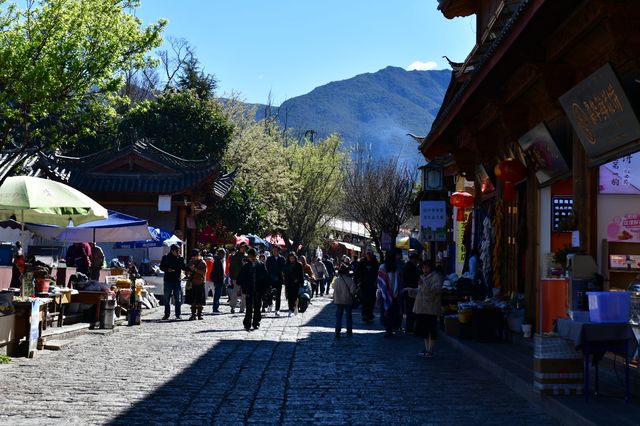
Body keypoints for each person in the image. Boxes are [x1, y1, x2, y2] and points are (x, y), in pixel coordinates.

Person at [405, 260, 443, 358]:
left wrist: (424, 284)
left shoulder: (436, 277)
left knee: (431, 329)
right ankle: (426, 349)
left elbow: (436, 290)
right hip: (422, 308)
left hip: (431, 308)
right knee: (424, 330)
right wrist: (412, 290)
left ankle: (430, 350)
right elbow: (421, 290)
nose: (424, 269)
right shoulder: (423, 277)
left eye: (426, 267)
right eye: (423, 268)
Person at [237, 248, 269, 331]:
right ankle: (247, 324)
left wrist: (265, 288)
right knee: (249, 307)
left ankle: (256, 323)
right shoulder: (246, 266)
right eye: (250, 257)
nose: (251, 258)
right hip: (249, 290)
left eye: (252, 256)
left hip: (258, 290)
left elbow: (266, 277)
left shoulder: (261, 265)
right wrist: (242, 286)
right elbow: (240, 279)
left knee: (257, 307)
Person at [377, 250, 403, 337]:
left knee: (385, 311)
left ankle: (388, 329)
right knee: (392, 311)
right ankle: (391, 328)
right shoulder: (397, 268)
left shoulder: (382, 267)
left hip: (384, 293)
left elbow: (380, 282)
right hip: (394, 293)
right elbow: (398, 281)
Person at [159, 244, 186, 320]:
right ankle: (167, 314)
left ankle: (178, 314)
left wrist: (189, 269)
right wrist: (167, 269)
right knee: (167, 298)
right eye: (177, 251)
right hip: (168, 280)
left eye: (179, 250)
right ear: (172, 251)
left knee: (178, 298)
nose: (178, 252)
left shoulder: (180, 258)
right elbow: (161, 267)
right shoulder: (166, 257)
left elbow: (183, 267)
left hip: (177, 280)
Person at [332, 265, 357, 338]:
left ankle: (337, 331)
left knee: (339, 316)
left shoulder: (336, 280)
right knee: (348, 316)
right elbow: (353, 291)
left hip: (338, 300)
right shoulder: (350, 280)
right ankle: (349, 331)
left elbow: (333, 287)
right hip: (348, 300)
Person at [354, 250, 379, 323]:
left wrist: (376, 282)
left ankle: (370, 314)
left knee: (371, 301)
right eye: (367, 254)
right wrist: (357, 282)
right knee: (364, 300)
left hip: (372, 286)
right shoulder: (362, 262)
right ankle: (365, 314)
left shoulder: (375, 263)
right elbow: (357, 273)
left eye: (370, 254)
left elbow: (377, 273)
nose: (369, 256)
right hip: (363, 285)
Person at [185, 249, 208, 320]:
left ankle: (199, 314)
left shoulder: (203, 263)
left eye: (195, 256)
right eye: (193, 256)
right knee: (193, 300)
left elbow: (203, 273)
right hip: (192, 283)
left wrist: (195, 269)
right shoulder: (191, 262)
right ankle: (193, 314)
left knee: (200, 300)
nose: (194, 257)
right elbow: (187, 270)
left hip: (200, 283)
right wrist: (188, 272)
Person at [403, 252, 421, 333]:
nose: (417, 262)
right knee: (411, 310)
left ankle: (409, 327)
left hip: (410, 290)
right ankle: (409, 328)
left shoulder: (409, 266)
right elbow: (412, 279)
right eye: (416, 260)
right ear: (413, 259)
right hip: (410, 290)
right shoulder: (410, 267)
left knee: (411, 310)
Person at [266, 246, 286, 316]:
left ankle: (277, 310)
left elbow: (284, 269)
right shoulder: (269, 259)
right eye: (273, 250)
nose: (275, 252)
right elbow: (267, 269)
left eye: (276, 251)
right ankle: (270, 304)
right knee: (270, 294)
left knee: (278, 295)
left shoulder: (282, 259)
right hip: (271, 279)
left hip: (279, 280)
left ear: (279, 251)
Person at [228, 243, 247, 314]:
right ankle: (232, 307)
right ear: (239, 248)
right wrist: (231, 276)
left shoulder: (247, 256)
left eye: (244, 247)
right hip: (236, 277)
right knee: (235, 293)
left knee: (244, 294)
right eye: (242, 247)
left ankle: (242, 308)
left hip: (245, 278)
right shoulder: (234, 256)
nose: (243, 248)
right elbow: (231, 267)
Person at [211, 248, 226, 313]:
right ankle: (215, 308)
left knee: (217, 294)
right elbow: (216, 271)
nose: (225, 255)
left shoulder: (218, 260)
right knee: (217, 295)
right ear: (221, 254)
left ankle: (216, 307)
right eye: (224, 254)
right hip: (218, 280)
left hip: (218, 280)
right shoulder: (218, 261)